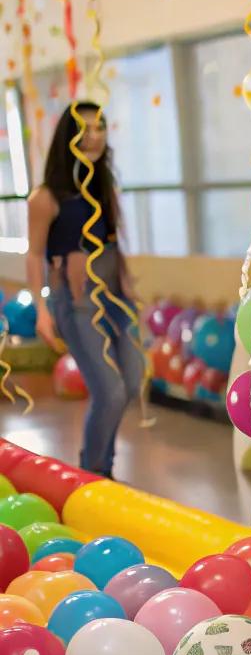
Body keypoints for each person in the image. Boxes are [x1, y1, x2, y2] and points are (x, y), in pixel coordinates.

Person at [26, 101, 144, 477]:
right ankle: (92, 473)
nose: (93, 136)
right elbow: (34, 255)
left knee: (131, 378)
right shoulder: (46, 197)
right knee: (108, 391)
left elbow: (111, 241)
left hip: (113, 296)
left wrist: (125, 285)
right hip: (76, 302)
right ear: (67, 137)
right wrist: (43, 311)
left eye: (100, 127)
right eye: (84, 129)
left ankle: (101, 467)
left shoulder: (103, 182)